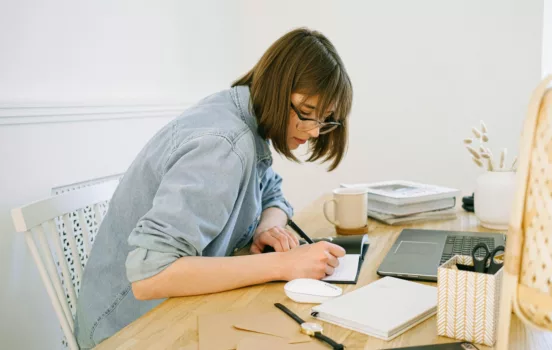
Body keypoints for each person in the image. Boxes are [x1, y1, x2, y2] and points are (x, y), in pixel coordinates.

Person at [74, 27, 353, 348]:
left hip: (174, 310)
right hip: (128, 329)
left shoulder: (245, 118)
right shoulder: (223, 145)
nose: (316, 132)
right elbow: (149, 276)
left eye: (325, 120)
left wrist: (269, 228)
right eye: (307, 113)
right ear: (278, 88)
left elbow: (272, 192)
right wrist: (285, 263)